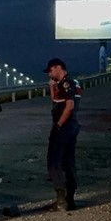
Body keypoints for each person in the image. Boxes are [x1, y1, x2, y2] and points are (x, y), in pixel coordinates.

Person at [44, 58, 81, 210]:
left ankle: (61, 200)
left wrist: (59, 125)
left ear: (58, 68)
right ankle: (69, 200)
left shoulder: (67, 83)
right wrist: (52, 87)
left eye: (50, 71)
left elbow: (69, 106)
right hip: (70, 127)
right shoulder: (63, 84)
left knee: (54, 161)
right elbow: (56, 100)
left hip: (64, 127)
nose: (49, 75)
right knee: (67, 161)